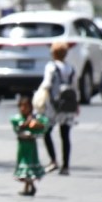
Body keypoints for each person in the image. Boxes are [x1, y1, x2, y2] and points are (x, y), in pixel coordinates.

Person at [32, 41, 78, 175]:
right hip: (68, 105)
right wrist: (76, 104)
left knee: (46, 131)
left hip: (53, 105)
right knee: (65, 135)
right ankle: (66, 166)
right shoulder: (71, 68)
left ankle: (53, 161)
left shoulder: (51, 67)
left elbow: (47, 83)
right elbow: (75, 87)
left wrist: (39, 96)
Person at [11, 94, 47, 196]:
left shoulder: (35, 118)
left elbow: (44, 126)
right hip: (22, 146)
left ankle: (28, 187)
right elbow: (18, 128)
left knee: (28, 166)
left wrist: (36, 124)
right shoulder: (18, 119)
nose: (23, 109)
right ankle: (30, 187)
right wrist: (27, 123)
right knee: (24, 165)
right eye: (21, 106)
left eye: (26, 106)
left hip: (31, 146)